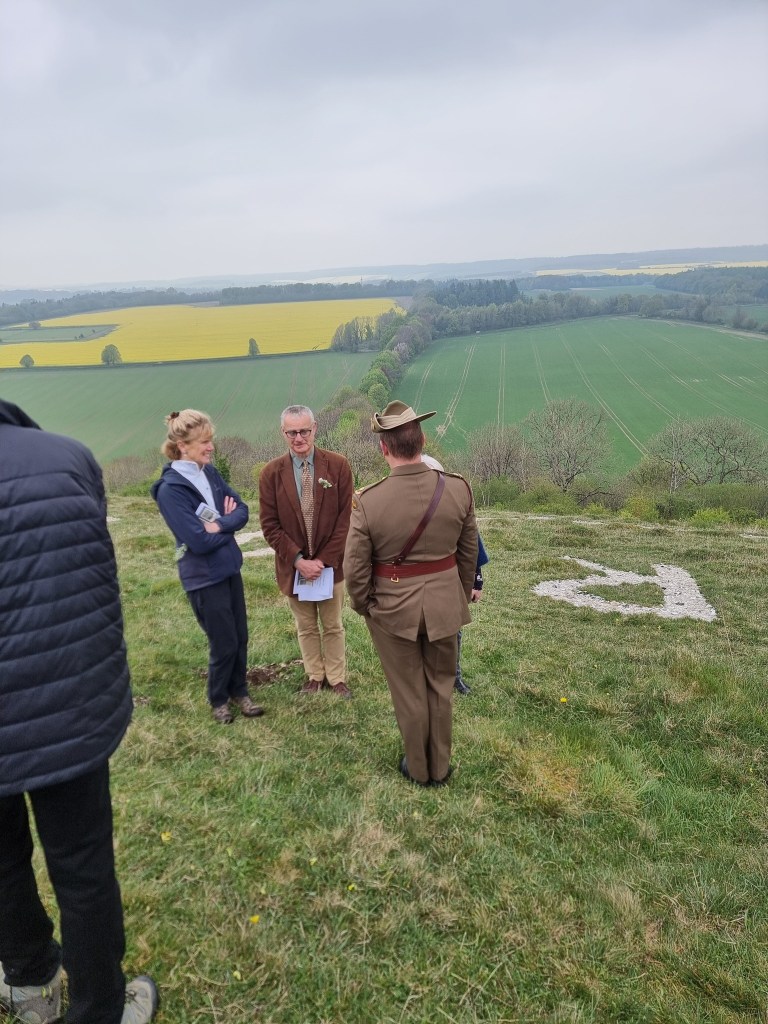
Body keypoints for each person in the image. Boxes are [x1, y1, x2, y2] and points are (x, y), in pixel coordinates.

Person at [0, 399, 158, 1024]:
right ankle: (98, 1009)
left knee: (1, 862)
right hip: (70, 705)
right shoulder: (67, 458)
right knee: (84, 869)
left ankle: (30, 982)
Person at [343, 400, 478, 786]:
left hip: (391, 610)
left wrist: (366, 605)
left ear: (383, 448)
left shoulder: (368, 501)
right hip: (445, 605)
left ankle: (419, 769)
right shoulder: (458, 489)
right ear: (422, 441)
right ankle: (440, 767)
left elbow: (355, 568)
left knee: (409, 692)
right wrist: (457, 596)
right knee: (440, 687)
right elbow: (468, 554)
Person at [151, 409, 263, 724]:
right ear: (182, 446)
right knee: (223, 641)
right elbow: (198, 542)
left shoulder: (209, 473)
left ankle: (240, 692)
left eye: (210, 440)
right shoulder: (170, 490)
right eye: (204, 441)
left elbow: (242, 510)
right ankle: (218, 699)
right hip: (202, 577)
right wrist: (226, 526)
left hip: (228, 567)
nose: (211, 447)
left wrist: (220, 524)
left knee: (239, 636)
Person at [259, 405, 354, 697]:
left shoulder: (338, 466)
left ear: (315, 429)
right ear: (283, 433)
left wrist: (322, 561)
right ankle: (314, 675)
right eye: (292, 433)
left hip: (331, 567)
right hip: (294, 568)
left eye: (303, 431)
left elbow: (345, 520)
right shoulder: (271, 474)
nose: (298, 438)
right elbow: (269, 525)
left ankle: (336, 678)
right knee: (306, 626)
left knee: (333, 625)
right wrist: (299, 560)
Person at [421, 454, 489, 695]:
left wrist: (476, 582)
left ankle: (453, 677)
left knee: (453, 631)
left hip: (450, 580)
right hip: (416, 582)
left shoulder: (455, 507)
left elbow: (472, 547)